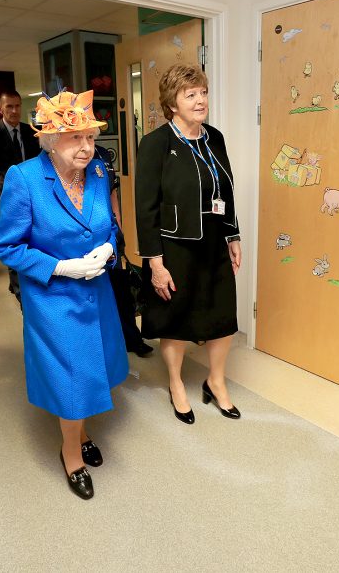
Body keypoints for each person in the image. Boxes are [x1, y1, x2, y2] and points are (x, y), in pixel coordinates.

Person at [0, 90, 128, 500]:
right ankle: (72, 452)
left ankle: (82, 431)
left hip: (96, 292)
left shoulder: (100, 173)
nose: (87, 147)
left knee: (91, 367)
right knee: (71, 375)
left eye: (90, 137)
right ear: (50, 140)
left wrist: (109, 247)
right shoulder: (25, 178)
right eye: (75, 138)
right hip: (53, 299)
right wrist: (59, 266)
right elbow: (8, 247)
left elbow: (108, 227)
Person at [135, 64, 243, 425]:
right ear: (172, 103)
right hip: (175, 247)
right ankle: (176, 384)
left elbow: (225, 192)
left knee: (223, 313)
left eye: (203, 93)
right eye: (190, 95)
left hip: (214, 242)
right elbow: (145, 207)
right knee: (175, 317)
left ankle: (215, 381)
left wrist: (233, 235)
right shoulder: (155, 144)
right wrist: (155, 262)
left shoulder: (215, 138)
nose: (200, 101)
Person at [0, 89, 41, 304]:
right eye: (9, 107)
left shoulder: (31, 131)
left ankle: (23, 277)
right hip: (5, 197)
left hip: (33, 194)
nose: (14, 111)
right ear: (0, 108)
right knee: (14, 239)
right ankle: (19, 289)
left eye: (17, 106)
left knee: (32, 237)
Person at [93, 144, 153, 357]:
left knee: (121, 289)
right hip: (88, 236)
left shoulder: (103, 153)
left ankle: (132, 339)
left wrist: (119, 227)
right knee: (97, 292)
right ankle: (103, 345)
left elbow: (112, 193)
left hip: (111, 233)